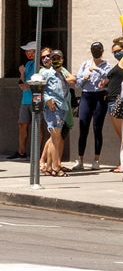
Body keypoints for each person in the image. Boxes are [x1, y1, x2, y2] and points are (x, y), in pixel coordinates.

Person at [74, 41, 112, 170]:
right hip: (86, 96)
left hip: (100, 96)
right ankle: (80, 160)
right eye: (94, 49)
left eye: (98, 49)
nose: (96, 51)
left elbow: (108, 79)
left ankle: (96, 160)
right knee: (83, 126)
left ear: (102, 51)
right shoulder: (85, 64)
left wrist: (97, 69)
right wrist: (85, 77)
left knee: (97, 128)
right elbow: (78, 84)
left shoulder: (107, 65)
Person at [38, 48, 74, 177]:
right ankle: (55, 167)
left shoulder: (62, 73)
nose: (55, 60)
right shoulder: (47, 73)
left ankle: (49, 167)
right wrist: (47, 99)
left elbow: (73, 80)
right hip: (53, 108)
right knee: (55, 137)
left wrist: (65, 74)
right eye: (53, 58)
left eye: (58, 58)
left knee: (56, 138)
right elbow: (36, 87)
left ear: (62, 60)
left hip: (63, 107)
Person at [10, 41, 38, 160]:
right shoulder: (28, 64)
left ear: (35, 52)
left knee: (38, 125)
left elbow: (28, 85)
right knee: (22, 125)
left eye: (29, 51)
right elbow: (22, 85)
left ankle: (38, 154)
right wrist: (22, 73)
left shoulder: (39, 66)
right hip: (25, 99)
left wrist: (24, 83)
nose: (27, 53)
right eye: (27, 51)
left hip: (36, 99)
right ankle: (21, 152)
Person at [105, 38, 123, 146]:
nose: (116, 53)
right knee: (121, 136)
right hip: (111, 101)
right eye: (114, 52)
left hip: (118, 100)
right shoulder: (119, 64)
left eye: (118, 50)